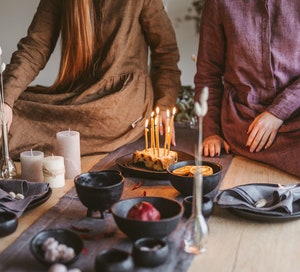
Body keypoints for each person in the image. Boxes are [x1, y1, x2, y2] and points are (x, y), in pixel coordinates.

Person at [2, 0, 181, 160]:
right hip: (78, 96)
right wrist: (6, 101)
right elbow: (34, 48)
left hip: (119, 105)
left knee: (15, 125)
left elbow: (166, 52)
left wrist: (164, 104)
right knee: (14, 107)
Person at [194, 0, 300, 177]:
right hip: (246, 121)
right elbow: (208, 73)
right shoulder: (219, 3)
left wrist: (278, 112)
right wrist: (211, 132)